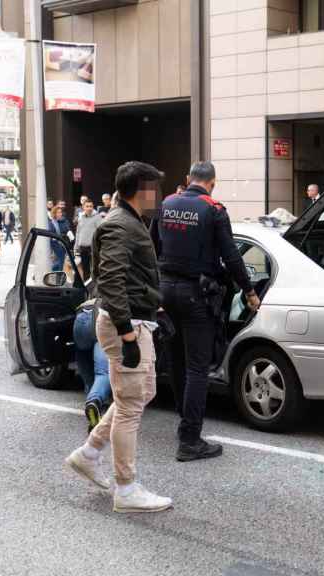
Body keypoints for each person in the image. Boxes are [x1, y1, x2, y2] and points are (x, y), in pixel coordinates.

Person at [64, 160, 171, 513]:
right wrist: (127, 335)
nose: (159, 195)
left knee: (142, 393)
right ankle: (125, 489)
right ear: (141, 190)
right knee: (129, 405)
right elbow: (110, 281)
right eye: (154, 188)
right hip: (126, 327)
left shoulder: (130, 221)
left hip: (138, 323)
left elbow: (127, 277)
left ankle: (89, 453)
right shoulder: (120, 225)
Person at [151, 161, 261, 462]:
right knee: (198, 367)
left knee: (176, 361)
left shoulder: (167, 204)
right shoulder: (213, 210)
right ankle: (190, 440)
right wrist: (249, 292)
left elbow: (152, 247)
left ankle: (183, 423)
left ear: (188, 179)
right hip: (196, 295)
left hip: (166, 291)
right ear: (212, 183)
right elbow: (232, 257)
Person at [73, 299, 112, 431]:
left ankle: (91, 392)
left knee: (82, 354)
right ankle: (94, 400)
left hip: (81, 318)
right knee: (103, 372)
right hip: (100, 318)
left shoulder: (99, 282)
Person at [74, 198, 103, 282]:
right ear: (83, 207)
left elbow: (101, 232)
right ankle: (87, 289)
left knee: (95, 269)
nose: (89, 208)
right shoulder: (81, 217)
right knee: (85, 269)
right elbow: (78, 233)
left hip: (93, 248)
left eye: (91, 206)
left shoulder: (97, 217)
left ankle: (96, 288)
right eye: (87, 206)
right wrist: (76, 247)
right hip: (82, 247)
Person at [47, 205, 71, 272]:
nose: (60, 214)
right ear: (54, 213)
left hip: (61, 243)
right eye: (58, 212)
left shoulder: (60, 222)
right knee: (60, 260)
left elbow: (65, 230)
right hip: (54, 244)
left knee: (61, 260)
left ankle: (56, 272)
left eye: (61, 212)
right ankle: (55, 272)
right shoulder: (51, 223)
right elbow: (51, 235)